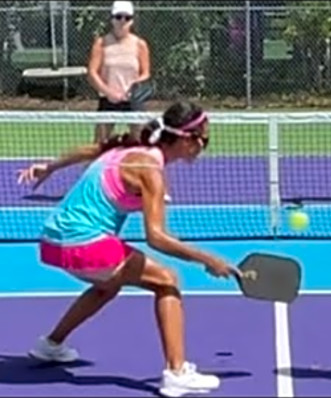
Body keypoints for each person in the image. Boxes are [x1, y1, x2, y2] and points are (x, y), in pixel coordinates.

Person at [17, 101, 238, 398]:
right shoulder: (150, 171)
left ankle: (51, 345)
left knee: (106, 286)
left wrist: (50, 167)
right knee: (168, 280)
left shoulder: (126, 150)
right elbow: (156, 237)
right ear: (187, 139)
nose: (205, 146)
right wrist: (208, 259)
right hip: (85, 244)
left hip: (54, 241)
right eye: (204, 139)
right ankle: (176, 373)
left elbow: (89, 150)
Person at [87, 1, 151, 143]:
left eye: (127, 18)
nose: (122, 21)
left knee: (141, 142)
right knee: (99, 144)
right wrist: (110, 93)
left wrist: (132, 90)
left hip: (133, 101)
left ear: (132, 21)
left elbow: (146, 73)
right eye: (118, 17)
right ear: (112, 19)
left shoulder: (140, 44)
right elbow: (92, 73)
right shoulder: (101, 43)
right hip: (108, 101)